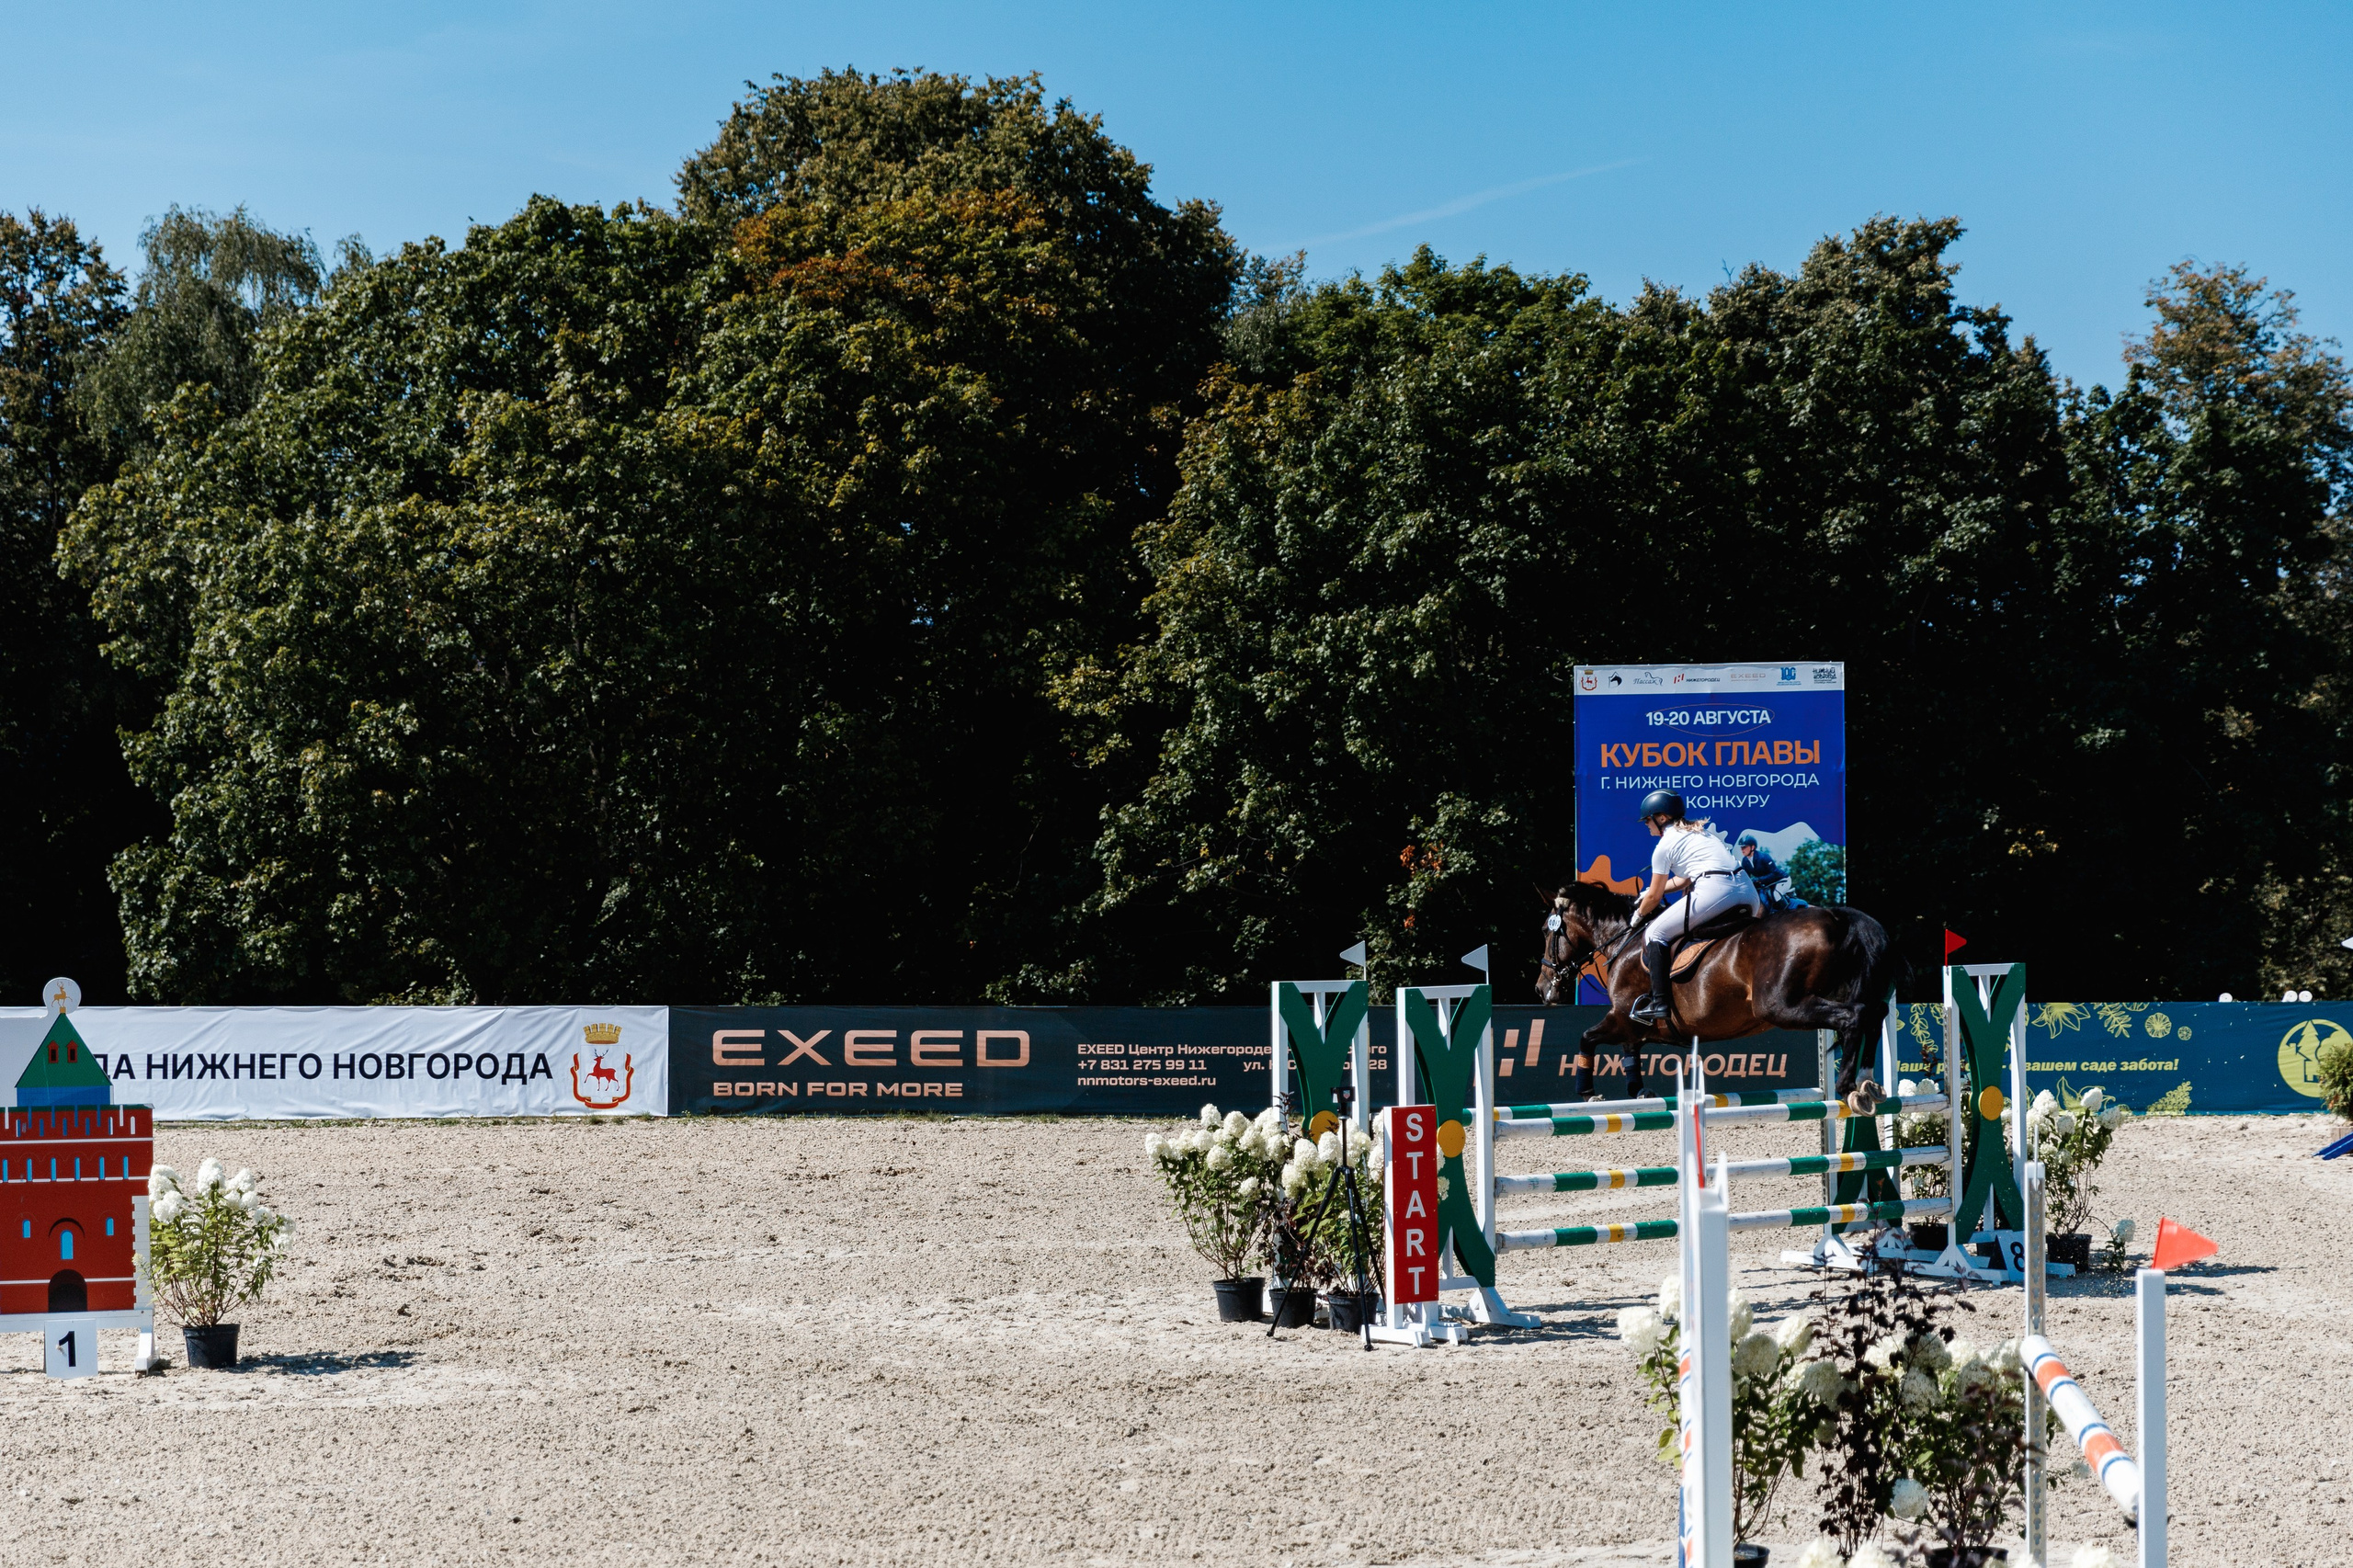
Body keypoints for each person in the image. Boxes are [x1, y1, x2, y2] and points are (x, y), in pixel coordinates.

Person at [1628, 790, 1760, 1026]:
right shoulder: (1702, 833)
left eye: (1647, 819)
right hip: (1748, 894)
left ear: (1661, 817)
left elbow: (1655, 897)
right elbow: (1684, 880)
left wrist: (1638, 915)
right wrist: (1649, 893)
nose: (1646, 824)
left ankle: (1659, 1003)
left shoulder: (1664, 846)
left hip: (1716, 890)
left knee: (1655, 933)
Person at [1737, 833, 1787, 910]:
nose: (1742, 849)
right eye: (1741, 847)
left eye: (1744, 847)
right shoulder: (1745, 861)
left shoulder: (1764, 857)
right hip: (1767, 884)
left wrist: (1759, 879)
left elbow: (1775, 873)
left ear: (1752, 847)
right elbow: (1746, 878)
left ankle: (1786, 913)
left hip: (1781, 880)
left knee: (1776, 895)